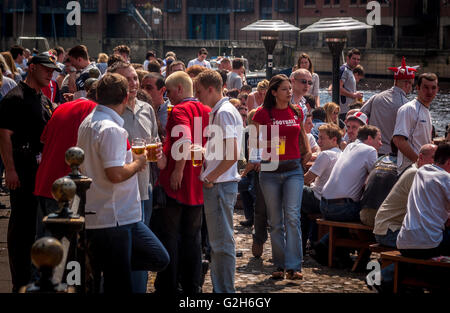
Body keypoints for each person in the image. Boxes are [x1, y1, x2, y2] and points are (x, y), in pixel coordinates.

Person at [77, 73, 169, 293]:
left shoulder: (88, 123)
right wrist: (139, 163)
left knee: (158, 257)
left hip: (110, 213)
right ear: (127, 97)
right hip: (114, 216)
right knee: (121, 283)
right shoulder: (111, 129)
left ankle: (108, 266)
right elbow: (115, 174)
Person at [0, 53, 58, 292]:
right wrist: (10, 170)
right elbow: (4, 136)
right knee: (21, 226)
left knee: (35, 224)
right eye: (46, 69)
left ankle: (33, 275)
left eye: (52, 70)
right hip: (22, 170)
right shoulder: (15, 98)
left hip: (40, 171)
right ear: (32, 68)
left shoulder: (42, 99)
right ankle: (19, 280)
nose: (50, 74)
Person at [153, 71, 211, 295]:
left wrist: (177, 170)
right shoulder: (206, 110)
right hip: (197, 181)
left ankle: (169, 285)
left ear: (178, 89)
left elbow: (185, 138)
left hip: (178, 183)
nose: (167, 97)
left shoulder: (179, 109)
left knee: (171, 237)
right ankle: (192, 285)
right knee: (192, 238)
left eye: (168, 91)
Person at [252, 74, 311, 281]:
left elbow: (302, 134)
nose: (289, 92)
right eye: (285, 89)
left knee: (292, 218)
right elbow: (253, 140)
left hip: (293, 169)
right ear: (274, 92)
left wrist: (308, 151)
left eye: (289, 88)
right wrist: (256, 159)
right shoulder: (262, 113)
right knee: (276, 221)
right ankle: (279, 264)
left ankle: (294, 266)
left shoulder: (296, 111)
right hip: (269, 171)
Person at [196, 70, 242, 292]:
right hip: (221, 183)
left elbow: (232, 153)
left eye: (199, 91)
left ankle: (224, 291)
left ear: (211, 89)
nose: (197, 96)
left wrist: (209, 177)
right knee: (219, 242)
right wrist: (205, 151)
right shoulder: (222, 111)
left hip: (220, 185)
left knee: (221, 243)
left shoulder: (223, 112)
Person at [34, 97, 97, 237]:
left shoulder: (63, 107)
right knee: (58, 246)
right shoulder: (94, 111)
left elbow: (43, 139)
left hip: (45, 181)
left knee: (44, 244)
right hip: (65, 188)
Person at [373, 144, 437, 248]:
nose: (437, 162)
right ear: (421, 157)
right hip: (389, 231)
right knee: (432, 244)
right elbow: (425, 210)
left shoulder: (415, 171)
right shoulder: (415, 174)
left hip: (388, 228)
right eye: (434, 158)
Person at [396, 143, 450, 258]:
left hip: (404, 244)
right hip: (430, 246)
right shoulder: (446, 178)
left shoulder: (422, 171)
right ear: (448, 162)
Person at [321, 125, 382, 222]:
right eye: (379, 139)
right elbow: (377, 179)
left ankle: (316, 237)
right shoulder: (370, 150)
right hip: (342, 208)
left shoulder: (350, 146)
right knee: (372, 219)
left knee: (340, 232)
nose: (381, 143)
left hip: (324, 205)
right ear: (369, 138)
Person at [301, 123, 342, 255]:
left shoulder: (326, 155)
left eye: (322, 138)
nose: (319, 141)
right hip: (331, 199)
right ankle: (308, 242)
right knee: (302, 210)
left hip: (318, 197)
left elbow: (307, 178)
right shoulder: (340, 154)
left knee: (292, 190)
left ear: (334, 139)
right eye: (318, 138)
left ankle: (298, 244)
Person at [361, 57, 416, 156]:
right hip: (392, 153)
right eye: (412, 84)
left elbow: (361, 116)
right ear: (407, 84)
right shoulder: (406, 105)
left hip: (371, 150)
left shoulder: (376, 97)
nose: (411, 88)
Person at [393, 73, 438, 175]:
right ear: (417, 88)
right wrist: (418, 162)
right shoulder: (409, 109)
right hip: (410, 170)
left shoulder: (425, 110)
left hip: (421, 169)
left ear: (437, 90)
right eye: (425, 88)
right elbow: (398, 140)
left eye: (433, 88)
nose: (430, 92)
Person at [339, 48, 363, 121]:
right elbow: (338, 88)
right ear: (348, 58)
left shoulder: (350, 71)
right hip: (344, 110)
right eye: (354, 59)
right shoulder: (344, 70)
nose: (356, 61)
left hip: (349, 109)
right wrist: (354, 95)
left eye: (358, 59)